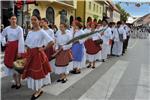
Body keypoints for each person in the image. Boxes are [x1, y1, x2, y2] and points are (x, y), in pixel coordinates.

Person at [22, 15, 54, 100]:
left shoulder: (42, 32)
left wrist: (43, 48)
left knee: (37, 73)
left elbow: (51, 42)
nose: (33, 21)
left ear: (39, 21)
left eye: (35, 20)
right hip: (30, 54)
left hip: (38, 55)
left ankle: (39, 90)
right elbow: (27, 44)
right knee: (32, 73)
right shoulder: (30, 32)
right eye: (32, 20)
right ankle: (37, 89)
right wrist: (26, 54)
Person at [1, 14, 25, 89]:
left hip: (17, 48)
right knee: (11, 66)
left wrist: (20, 51)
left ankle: (19, 83)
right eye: (12, 19)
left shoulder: (19, 29)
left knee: (18, 66)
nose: (14, 20)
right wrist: (4, 42)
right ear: (9, 20)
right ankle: (15, 82)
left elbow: (21, 40)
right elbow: (1, 35)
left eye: (15, 19)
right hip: (9, 48)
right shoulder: (7, 28)